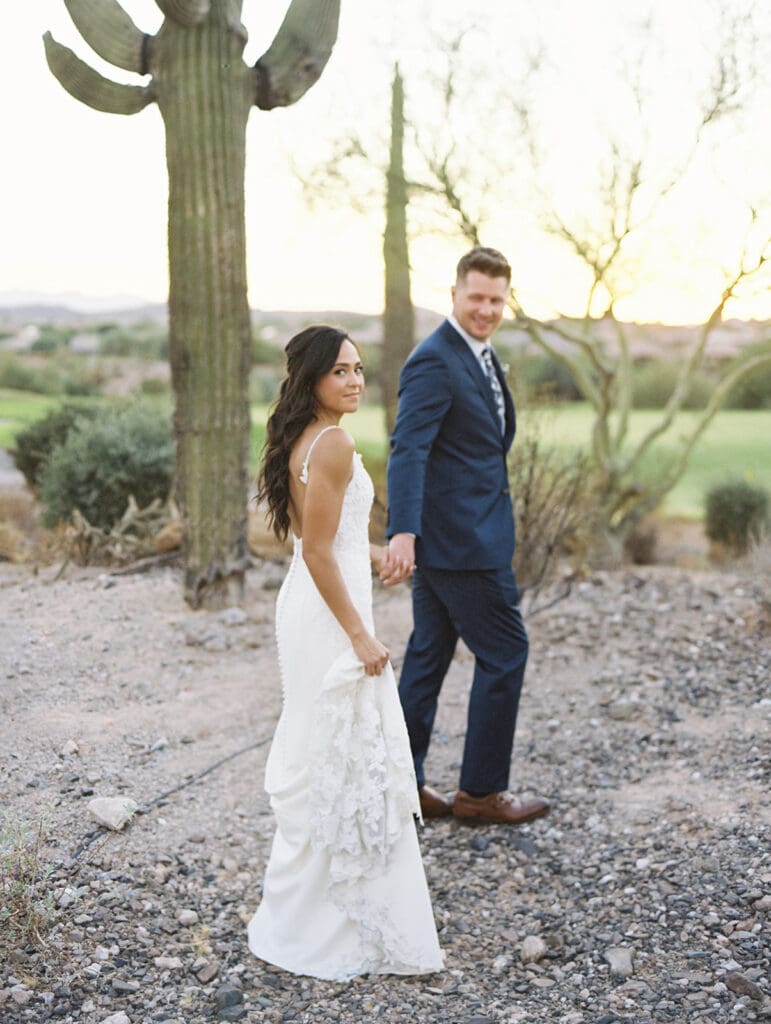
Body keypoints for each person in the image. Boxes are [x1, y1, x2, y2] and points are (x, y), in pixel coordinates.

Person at [247, 325, 443, 981]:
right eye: (340, 372)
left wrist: (379, 554)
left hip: (310, 603)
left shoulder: (307, 438)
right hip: (328, 618)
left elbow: (323, 540)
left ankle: (313, 912)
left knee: (330, 751)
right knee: (344, 750)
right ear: (312, 381)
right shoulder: (331, 443)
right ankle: (336, 924)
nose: (355, 381)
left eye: (359, 369)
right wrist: (361, 636)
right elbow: (313, 549)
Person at [382, 247, 551, 826]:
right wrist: (402, 531)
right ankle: (480, 793)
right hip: (461, 545)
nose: (486, 309)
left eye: (496, 300)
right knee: (506, 652)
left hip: (464, 537)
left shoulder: (480, 354)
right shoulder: (435, 359)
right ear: (454, 293)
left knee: (428, 656)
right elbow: (409, 447)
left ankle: (399, 789)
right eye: (476, 297)